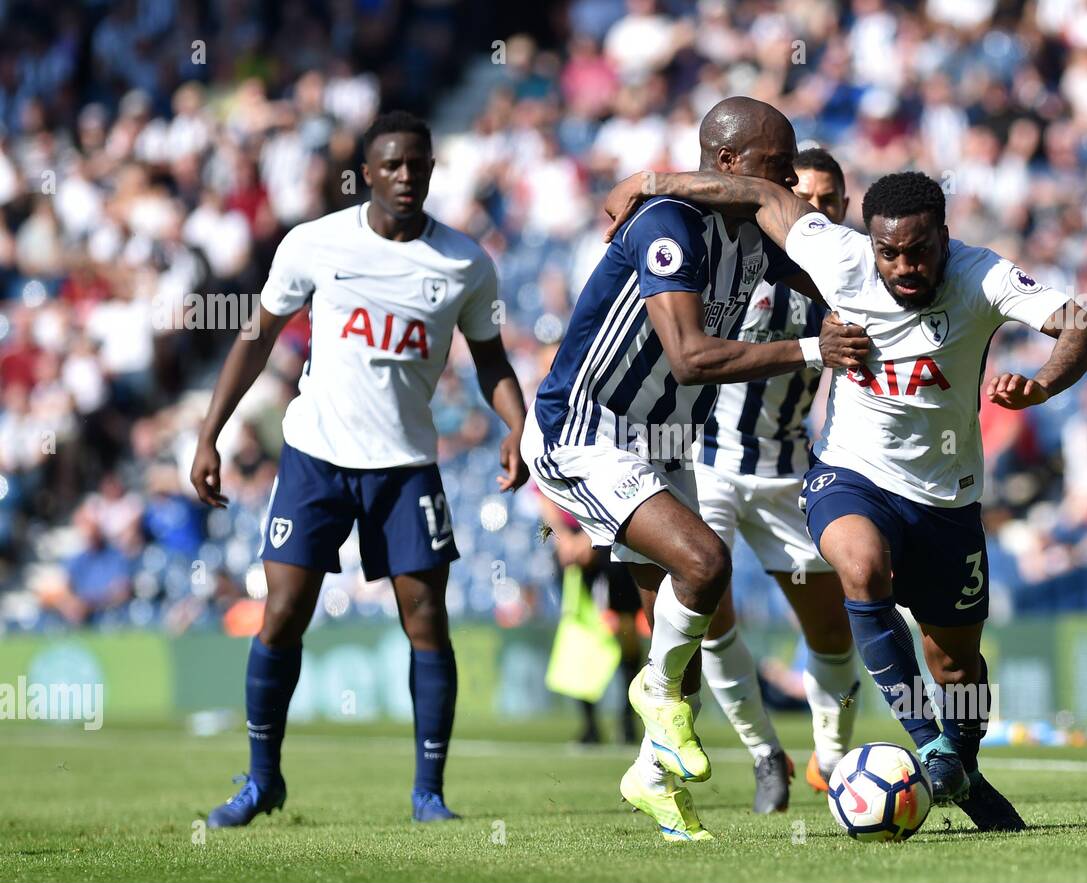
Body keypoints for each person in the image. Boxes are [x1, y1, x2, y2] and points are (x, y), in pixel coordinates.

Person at [603, 168, 1087, 830]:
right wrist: (655, 180)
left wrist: (1041, 384)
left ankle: (961, 764)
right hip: (849, 474)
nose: (903, 265)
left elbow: (1084, 325)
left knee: (956, 662)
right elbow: (763, 195)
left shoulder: (982, 276)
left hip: (946, 498)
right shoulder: (838, 253)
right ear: (868, 241)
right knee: (862, 567)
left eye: (919, 250)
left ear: (945, 239)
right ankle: (926, 742)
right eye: (889, 250)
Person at [521, 96, 870, 841]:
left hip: (668, 441)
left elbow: (840, 287)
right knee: (706, 564)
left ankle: (651, 780)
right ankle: (656, 695)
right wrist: (816, 349)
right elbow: (691, 355)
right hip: (587, 429)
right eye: (776, 172)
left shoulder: (756, 237)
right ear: (730, 166)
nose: (785, 191)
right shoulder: (666, 224)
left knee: (688, 652)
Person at [191, 110, 528, 827]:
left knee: (427, 618)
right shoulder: (315, 243)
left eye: (419, 165)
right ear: (368, 173)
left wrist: (516, 422)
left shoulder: (465, 262)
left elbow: (490, 356)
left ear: (433, 171)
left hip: (405, 466)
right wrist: (209, 432)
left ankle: (429, 792)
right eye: (393, 165)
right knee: (282, 611)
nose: (407, 176)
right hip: (315, 457)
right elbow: (257, 335)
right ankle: (261, 779)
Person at [693, 147, 857, 813]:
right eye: (806, 198)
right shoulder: (734, 259)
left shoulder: (851, 278)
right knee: (710, 618)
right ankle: (765, 754)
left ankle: (836, 760)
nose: (816, 211)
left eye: (830, 202)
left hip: (791, 470)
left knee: (833, 632)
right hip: (707, 465)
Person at [537, 491, 643, 744]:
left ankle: (627, 721)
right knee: (580, 634)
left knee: (625, 633)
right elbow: (544, 495)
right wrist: (566, 541)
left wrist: (592, 538)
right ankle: (590, 724)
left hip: (611, 543)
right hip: (570, 551)